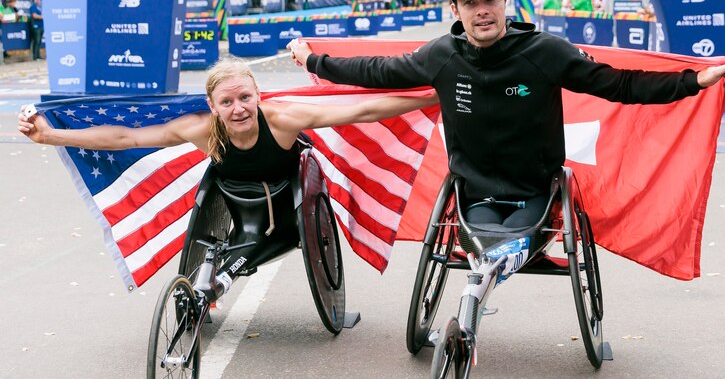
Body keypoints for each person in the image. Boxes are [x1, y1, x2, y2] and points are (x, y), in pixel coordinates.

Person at [289, 0, 725, 230]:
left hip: (534, 187)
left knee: (513, 239)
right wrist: (315, 62)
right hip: (474, 190)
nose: (482, 10)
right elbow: (378, 71)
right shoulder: (441, 55)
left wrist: (692, 81)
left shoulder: (545, 51)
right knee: (485, 240)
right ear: (455, 9)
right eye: (470, 2)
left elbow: (620, 85)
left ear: (505, 2)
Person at [18, 57, 438, 301]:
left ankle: (222, 276)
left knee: (254, 244)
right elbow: (126, 136)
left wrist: (436, 93)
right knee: (238, 247)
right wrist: (49, 135)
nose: (238, 108)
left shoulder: (284, 118)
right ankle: (214, 280)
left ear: (258, 96)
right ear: (212, 105)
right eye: (226, 101)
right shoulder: (201, 129)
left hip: (287, 204)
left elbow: (363, 111)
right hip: (239, 203)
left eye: (245, 98)